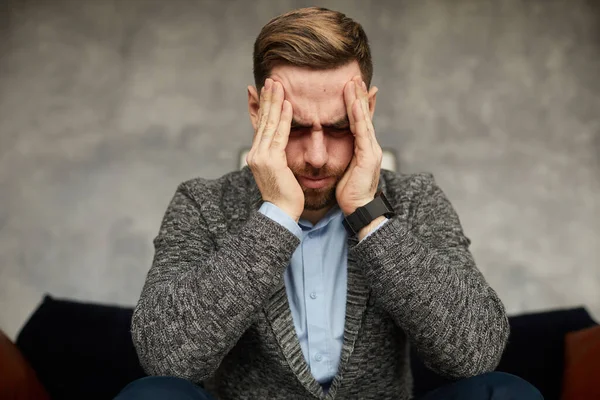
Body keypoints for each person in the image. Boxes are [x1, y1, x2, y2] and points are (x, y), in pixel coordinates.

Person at [115, 7, 543, 400]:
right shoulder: (203, 203)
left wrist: (368, 212)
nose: (317, 156)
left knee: (505, 393)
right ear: (256, 110)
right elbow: (165, 360)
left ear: (367, 111)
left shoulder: (414, 197)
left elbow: (476, 352)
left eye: (338, 128)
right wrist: (277, 216)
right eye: (297, 128)